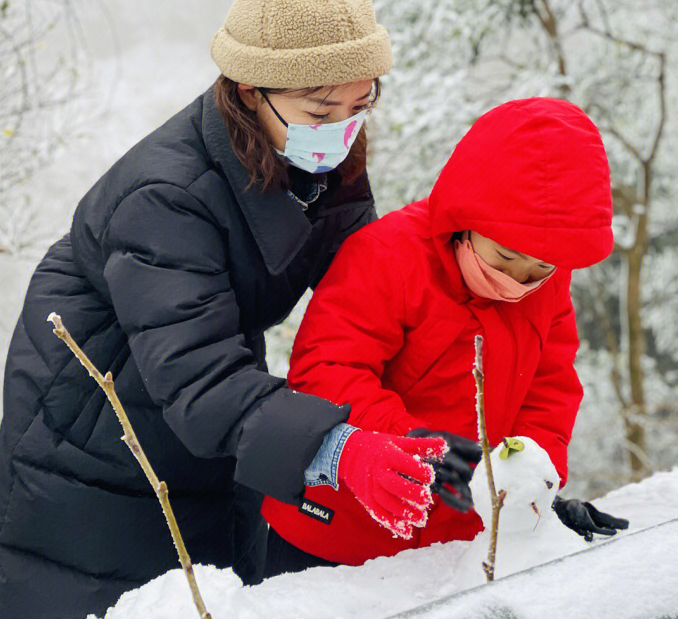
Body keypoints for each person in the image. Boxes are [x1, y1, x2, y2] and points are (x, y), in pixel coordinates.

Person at [0, 0, 447, 619]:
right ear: (251, 89)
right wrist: (338, 448)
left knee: (213, 598)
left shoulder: (322, 159)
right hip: (96, 412)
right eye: (322, 110)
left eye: (360, 106)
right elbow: (198, 377)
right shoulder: (163, 197)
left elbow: (369, 292)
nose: (343, 129)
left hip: (208, 392)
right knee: (89, 608)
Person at [261, 97, 630, 573]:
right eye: (503, 258)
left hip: (455, 540)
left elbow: (550, 386)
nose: (518, 281)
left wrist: (534, 475)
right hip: (339, 535)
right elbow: (326, 371)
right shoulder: (386, 257)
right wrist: (417, 444)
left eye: (539, 267)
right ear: (468, 220)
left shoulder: (548, 284)